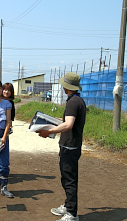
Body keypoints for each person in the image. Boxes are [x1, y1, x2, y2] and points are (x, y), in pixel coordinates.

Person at [36, 72, 86, 221]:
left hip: (69, 146)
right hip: (72, 145)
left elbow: (68, 125)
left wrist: (49, 131)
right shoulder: (77, 100)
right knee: (67, 178)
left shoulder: (72, 102)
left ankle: (71, 213)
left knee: (69, 179)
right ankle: (68, 205)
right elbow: (67, 121)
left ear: (66, 86)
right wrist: (51, 121)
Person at [0, 82, 16, 176]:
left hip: (4, 129)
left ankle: (0, 169)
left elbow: (11, 118)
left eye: (9, 90)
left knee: (2, 148)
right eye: (5, 89)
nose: (6, 92)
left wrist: (10, 126)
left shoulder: (11, 103)